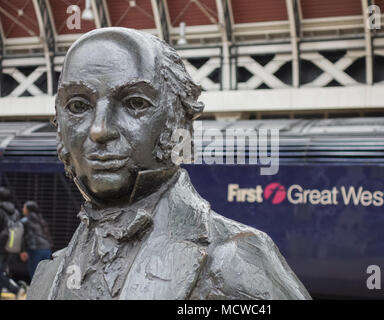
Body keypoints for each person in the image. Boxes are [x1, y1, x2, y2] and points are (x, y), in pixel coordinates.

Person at [27, 27, 311, 300]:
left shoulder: (238, 256)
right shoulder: (48, 274)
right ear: (60, 130)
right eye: (78, 106)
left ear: (179, 123)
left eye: (135, 103)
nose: (100, 130)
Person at [0, 187, 26, 299]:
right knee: (2, 270)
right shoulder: (15, 211)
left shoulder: (1, 210)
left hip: (1, 243)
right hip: (12, 245)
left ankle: (16, 289)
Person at [20, 201, 52, 279]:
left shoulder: (25, 221)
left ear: (28, 210)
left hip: (35, 250)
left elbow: (22, 237)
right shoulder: (41, 220)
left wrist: (22, 251)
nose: (22, 209)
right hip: (47, 249)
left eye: (24, 207)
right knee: (44, 274)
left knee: (34, 275)